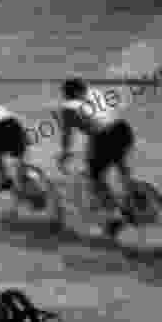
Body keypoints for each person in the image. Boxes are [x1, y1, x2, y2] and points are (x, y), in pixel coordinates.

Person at [57, 76, 136, 237]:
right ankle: (134, 198)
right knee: (119, 163)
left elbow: (67, 135)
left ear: (68, 94)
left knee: (95, 176)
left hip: (104, 136)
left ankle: (116, 216)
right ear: (83, 89)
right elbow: (102, 121)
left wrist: (65, 154)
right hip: (123, 129)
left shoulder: (68, 107)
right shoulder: (96, 94)